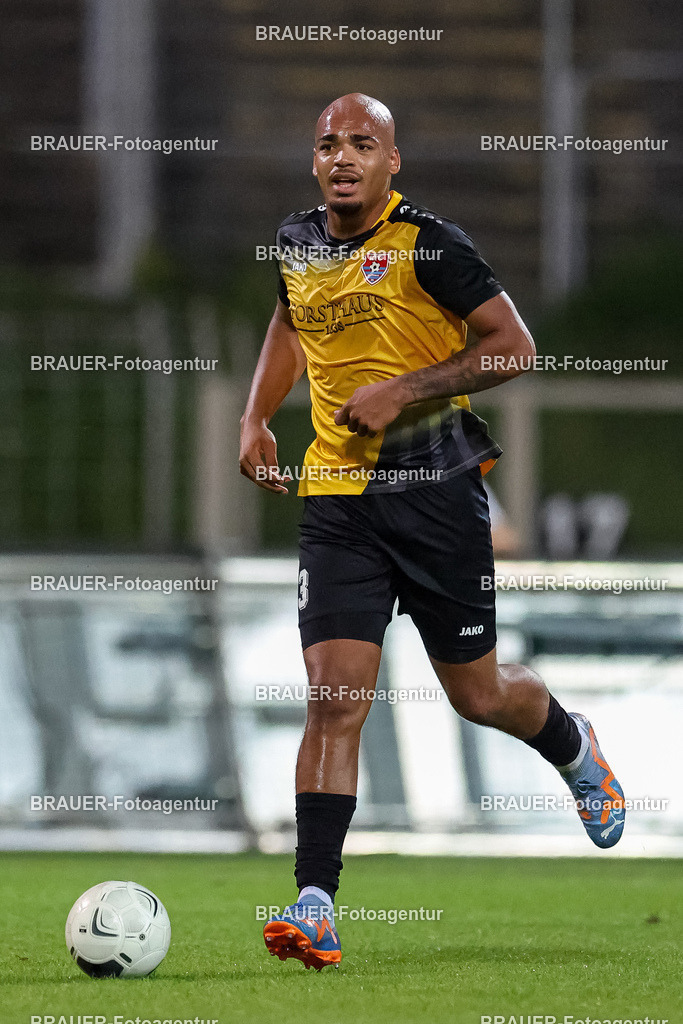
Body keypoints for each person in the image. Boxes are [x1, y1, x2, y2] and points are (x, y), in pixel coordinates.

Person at [239, 93, 624, 971]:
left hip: (437, 498)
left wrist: (403, 389)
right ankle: (313, 902)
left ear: (391, 162)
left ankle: (571, 745)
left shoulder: (432, 247)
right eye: (328, 143)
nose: (342, 156)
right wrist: (254, 418)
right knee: (335, 697)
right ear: (313, 162)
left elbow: (512, 347)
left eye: (361, 144)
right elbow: (288, 323)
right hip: (337, 502)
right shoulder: (296, 243)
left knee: (479, 698)